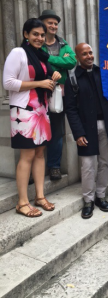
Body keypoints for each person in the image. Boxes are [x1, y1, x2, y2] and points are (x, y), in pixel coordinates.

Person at [3, 18, 61, 217]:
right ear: (25, 34)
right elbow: (8, 82)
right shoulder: (18, 53)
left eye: (42, 35)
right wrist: (40, 84)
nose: (39, 38)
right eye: (35, 34)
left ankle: (39, 196)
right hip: (24, 110)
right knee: (27, 155)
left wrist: (54, 77)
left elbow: (48, 76)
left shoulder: (41, 56)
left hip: (41, 109)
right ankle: (22, 202)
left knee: (39, 153)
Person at [64, 43, 108, 219]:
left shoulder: (103, 74)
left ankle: (100, 196)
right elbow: (71, 109)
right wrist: (78, 133)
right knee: (88, 166)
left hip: (106, 125)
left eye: (91, 52)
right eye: (85, 54)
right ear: (77, 57)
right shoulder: (72, 79)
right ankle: (88, 200)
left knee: (104, 163)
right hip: (86, 129)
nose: (89, 56)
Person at [39, 9, 77, 181]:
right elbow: (35, 63)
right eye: (50, 23)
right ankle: (33, 168)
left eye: (55, 23)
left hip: (58, 95)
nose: (53, 26)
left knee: (56, 131)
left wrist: (48, 59)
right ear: (43, 24)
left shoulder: (62, 43)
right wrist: (59, 65)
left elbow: (72, 62)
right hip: (38, 92)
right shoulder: (35, 41)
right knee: (35, 130)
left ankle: (54, 166)